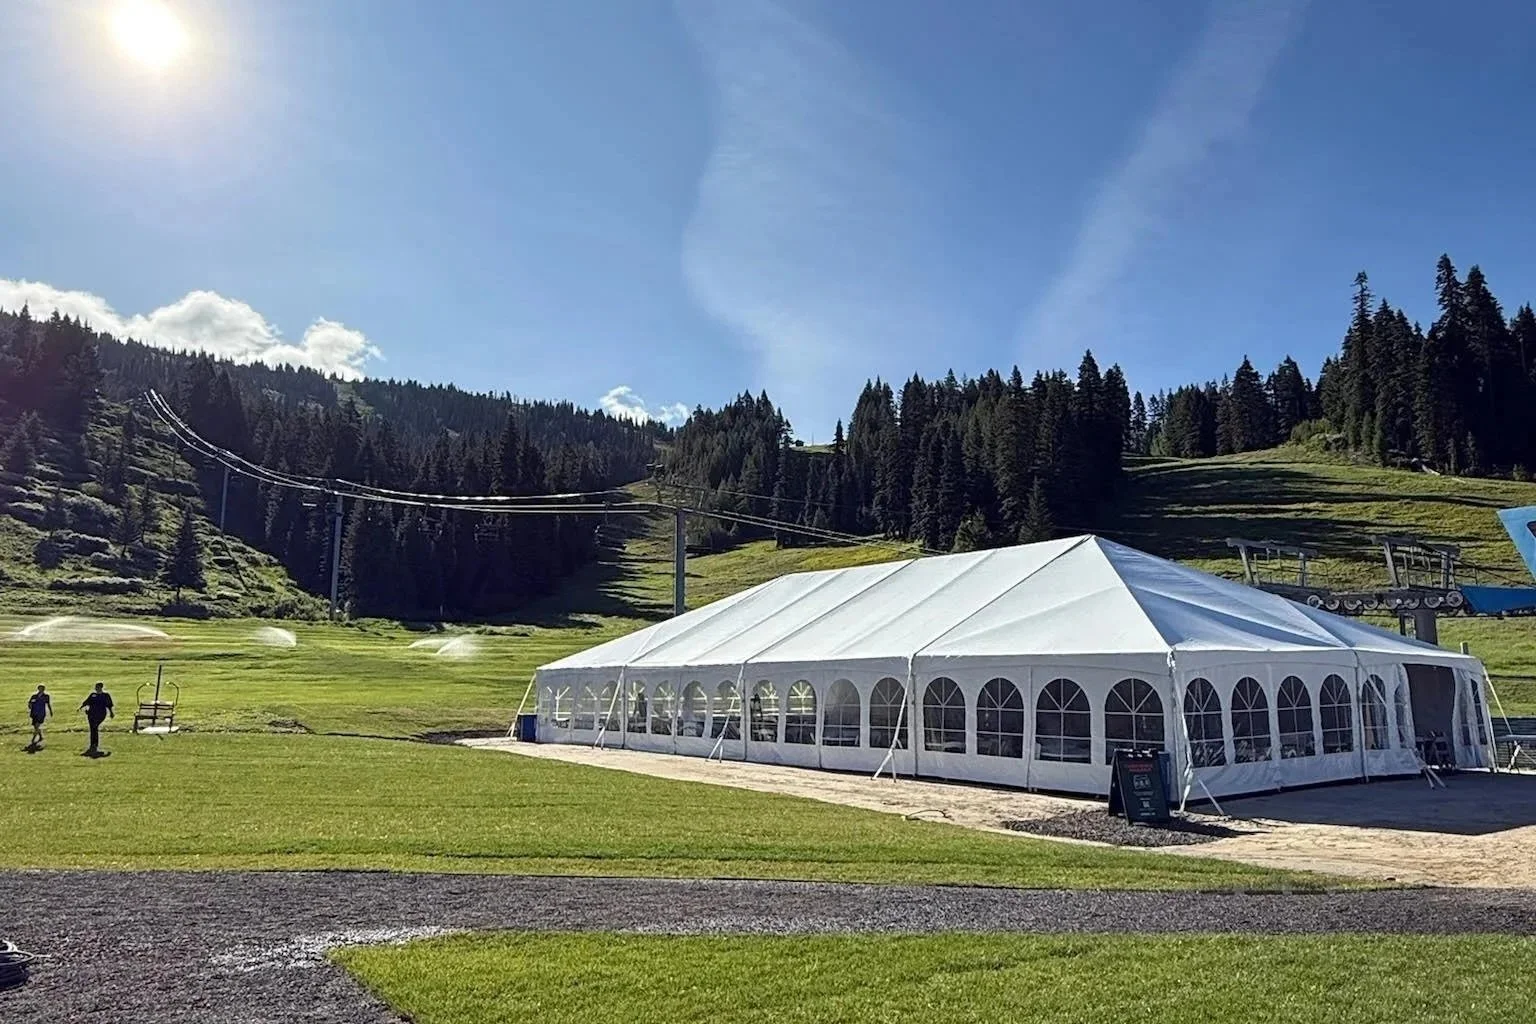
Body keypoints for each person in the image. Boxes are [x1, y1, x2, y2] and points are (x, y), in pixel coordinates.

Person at [80, 681, 114, 754]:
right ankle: (93, 745)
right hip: (91, 714)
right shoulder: (93, 695)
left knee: (95, 727)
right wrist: (83, 707)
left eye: (97, 687)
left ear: (100, 687)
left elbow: (109, 705)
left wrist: (111, 713)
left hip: (100, 714)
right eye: (96, 687)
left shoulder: (105, 695)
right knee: (93, 729)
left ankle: (94, 744)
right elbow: (86, 702)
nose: (96, 688)